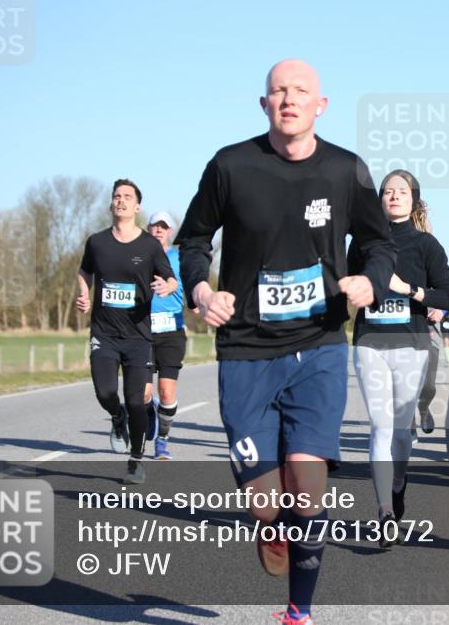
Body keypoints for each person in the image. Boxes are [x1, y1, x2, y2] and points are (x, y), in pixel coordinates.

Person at [174, 59, 395, 624]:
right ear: (264, 105)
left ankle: (299, 613)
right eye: (277, 91)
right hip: (247, 349)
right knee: (266, 503)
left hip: (319, 342)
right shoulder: (231, 166)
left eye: (300, 91)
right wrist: (201, 291)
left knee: (308, 485)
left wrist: (369, 279)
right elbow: (194, 240)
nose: (288, 98)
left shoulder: (346, 171)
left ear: (321, 105)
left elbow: (379, 242)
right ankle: (269, 529)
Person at [349, 169, 449, 546]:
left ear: (413, 200)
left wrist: (409, 290)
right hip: (370, 342)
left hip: (410, 344)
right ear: (380, 200)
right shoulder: (362, 243)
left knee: (401, 434)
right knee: (380, 426)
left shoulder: (427, 245)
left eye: (402, 191)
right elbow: (345, 286)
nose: (394, 196)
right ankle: (384, 513)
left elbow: (447, 296)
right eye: (388, 192)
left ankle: (397, 483)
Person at [76, 180, 178, 485]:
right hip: (104, 333)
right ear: (111, 205)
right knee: (105, 392)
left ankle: (136, 459)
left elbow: (171, 279)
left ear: (136, 207)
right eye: (116, 196)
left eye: (127, 197)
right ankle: (116, 417)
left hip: (137, 336)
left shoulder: (149, 245)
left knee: (137, 400)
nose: (121, 200)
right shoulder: (96, 242)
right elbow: (84, 271)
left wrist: (165, 286)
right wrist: (84, 292)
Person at [141, 211, 186, 460]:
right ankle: (149, 412)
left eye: (163, 227)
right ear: (147, 229)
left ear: (170, 231)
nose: (158, 230)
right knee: (144, 394)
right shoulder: (138, 257)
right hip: (142, 332)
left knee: (167, 391)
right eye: (154, 226)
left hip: (172, 332)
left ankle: (163, 439)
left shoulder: (180, 258)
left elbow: (192, 287)